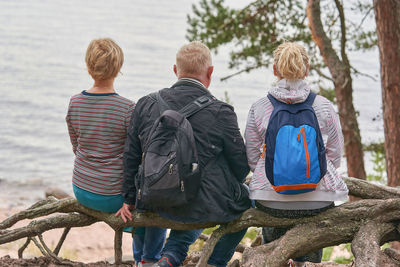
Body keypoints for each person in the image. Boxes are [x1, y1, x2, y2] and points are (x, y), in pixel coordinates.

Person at [117, 41, 251, 267]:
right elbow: (241, 167)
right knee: (247, 201)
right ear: (210, 72)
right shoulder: (221, 111)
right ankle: (213, 262)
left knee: (194, 203)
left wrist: (129, 198)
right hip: (202, 204)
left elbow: (130, 156)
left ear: (175, 71)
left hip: (155, 200)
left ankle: (169, 258)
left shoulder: (145, 104)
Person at [244, 42, 348, 267]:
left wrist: (276, 173)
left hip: (272, 201)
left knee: (275, 237)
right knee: (309, 244)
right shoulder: (324, 106)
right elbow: (336, 155)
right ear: (306, 69)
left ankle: (278, 260)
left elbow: (252, 156)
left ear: (275, 70)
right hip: (316, 202)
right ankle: (305, 263)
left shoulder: (259, 107)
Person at [66, 38, 166, 267]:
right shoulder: (127, 108)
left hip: (81, 189)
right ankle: (147, 260)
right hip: (114, 197)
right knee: (152, 204)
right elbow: (135, 158)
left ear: (88, 66)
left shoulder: (74, 103)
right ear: (119, 68)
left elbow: (76, 147)